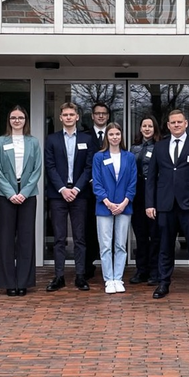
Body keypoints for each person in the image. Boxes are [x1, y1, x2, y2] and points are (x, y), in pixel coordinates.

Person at [146, 109, 189, 301]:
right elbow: (151, 178)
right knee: (165, 246)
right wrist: (150, 204)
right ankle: (163, 282)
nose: (176, 125)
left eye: (179, 122)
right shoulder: (159, 147)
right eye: (173, 122)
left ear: (186, 123)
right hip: (165, 205)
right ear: (168, 125)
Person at [0, 106, 43, 297]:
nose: (17, 121)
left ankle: (24, 281)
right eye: (13, 117)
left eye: (20, 117)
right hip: (6, 196)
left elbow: (37, 169)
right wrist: (10, 193)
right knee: (5, 239)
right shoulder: (0, 141)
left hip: (28, 195)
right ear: (9, 120)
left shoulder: (33, 142)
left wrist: (25, 192)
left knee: (26, 239)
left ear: (25, 120)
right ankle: (8, 282)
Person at [44, 102, 95, 292]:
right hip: (58, 195)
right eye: (65, 115)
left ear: (77, 117)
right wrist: (62, 189)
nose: (68, 117)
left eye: (71, 114)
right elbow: (50, 166)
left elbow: (89, 167)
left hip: (80, 194)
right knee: (59, 238)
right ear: (60, 118)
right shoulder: (52, 139)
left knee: (80, 238)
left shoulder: (87, 139)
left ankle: (80, 276)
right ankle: (59, 277)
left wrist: (77, 189)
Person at [92, 122, 137, 294]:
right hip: (104, 206)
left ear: (121, 136)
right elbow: (97, 183)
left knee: (120, 244)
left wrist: (124, 202)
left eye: (117, 134)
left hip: (124, 206)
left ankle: (118, 278)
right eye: (111, 134)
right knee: (105, 245)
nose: (114, 137)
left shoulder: (129, 157)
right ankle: (108, 279)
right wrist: (108, 203)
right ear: (107, 137)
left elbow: (132, 182)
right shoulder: (99, 157)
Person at [129, 116, 162, 285]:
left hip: (154, 192)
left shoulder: (160, 147)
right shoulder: (133, 148)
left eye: (150, 126)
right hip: (137, 193)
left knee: (155, 235)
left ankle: (155, 271)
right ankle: (141, 270)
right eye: (144, 126)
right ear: (140, 128)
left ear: (155, 129)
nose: (147, 129)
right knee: (140, 235)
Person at [84, 102, 111, 279]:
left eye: (104, 113)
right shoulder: (85, 136)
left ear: (108, 116)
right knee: (89, 229)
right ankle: (88, 266)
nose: (101, 116)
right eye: (97, 113)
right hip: (88, 191)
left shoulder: (115, 134)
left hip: (111, 191)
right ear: (92, 116)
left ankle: (112, 267)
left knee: (110, 230)